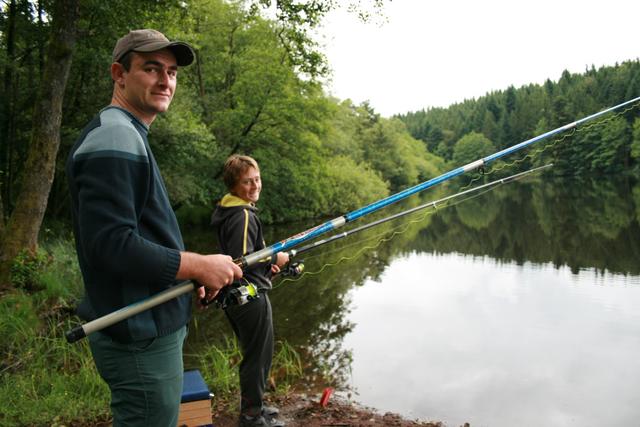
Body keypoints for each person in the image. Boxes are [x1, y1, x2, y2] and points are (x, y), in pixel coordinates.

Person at [66, 29, 242, 426]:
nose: (166, 80)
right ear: (119, 73)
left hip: (145, 324)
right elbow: (110, 245)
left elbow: (140, 235)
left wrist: (182, 281)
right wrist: (198, 265)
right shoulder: (116, 136)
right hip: (138, 334)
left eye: (172, 72)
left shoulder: (128, 132)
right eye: (151, 68)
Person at [210, 155, 289, 427]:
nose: (255, 185)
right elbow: (241, 260)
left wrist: (266, 269)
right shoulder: (243, 214)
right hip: (248, 294)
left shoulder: (233, 209)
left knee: (257, 352)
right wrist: (274, 259)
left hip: (240, 292)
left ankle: (256, 406)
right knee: (259, 354)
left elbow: (246, 258)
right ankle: (251, 417)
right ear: (234, 185)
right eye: (247, 181)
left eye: (257, 179)